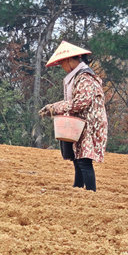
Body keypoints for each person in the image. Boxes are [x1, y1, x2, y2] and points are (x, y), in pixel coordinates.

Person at [38, 41, 108, 191]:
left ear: (70, 60)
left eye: (62, 63)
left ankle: (90, 193)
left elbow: (80, 103)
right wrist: (52, 107)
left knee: (84, 161)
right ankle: (77, 188)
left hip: (89, 125)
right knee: (78, 159)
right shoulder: (78, 77)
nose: (62, 67)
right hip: (81, 124)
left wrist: (55, 108)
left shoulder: (85, 77)